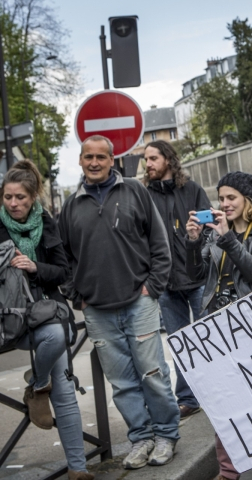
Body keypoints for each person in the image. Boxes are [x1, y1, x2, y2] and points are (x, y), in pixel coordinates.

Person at [59, 135, 179, 470]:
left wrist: (153, 286)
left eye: (101, 157)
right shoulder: (71, 205)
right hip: (97, 310)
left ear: (112, 160)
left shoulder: (135, 192)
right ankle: (141, 439)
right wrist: (76, 294)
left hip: (139, 303)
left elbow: (159, 241)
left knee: (153, 374)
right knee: (123, 383)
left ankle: (167, 434)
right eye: (88, 157)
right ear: (80, 161)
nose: (94, 162)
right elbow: (64, 256)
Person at [185, 171, 252, 480]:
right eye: (222, 198)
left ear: (248, 200)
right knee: (223, 400)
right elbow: (198, 274)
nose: (225, 204)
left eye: (232, 198)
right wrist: (192, 243)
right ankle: (228, 471)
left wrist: (228, 237)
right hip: (217, 322)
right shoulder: (214, 233)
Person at [1, 160, 93, 480]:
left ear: (33, 197)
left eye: (20, 198)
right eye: (8, 197)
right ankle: (40, 383)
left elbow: (63, 271)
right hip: (9, 318)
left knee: (58, 348)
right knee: (58, 360)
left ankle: (77, 468)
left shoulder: (47, 223)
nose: (14, 203)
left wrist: (34, 267)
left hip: (46, 313)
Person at [144, 140, 211, 419]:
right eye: (145, 160)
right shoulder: (144, 195)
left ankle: (220, 391)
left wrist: (197, 244)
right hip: (166, 284)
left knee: (209, 338)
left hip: (198, 278)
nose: (147, 164)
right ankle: (187, 397)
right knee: (180, 342)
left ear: (168, 160)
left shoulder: (192, 189)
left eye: (152, 158)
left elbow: (210, 227)